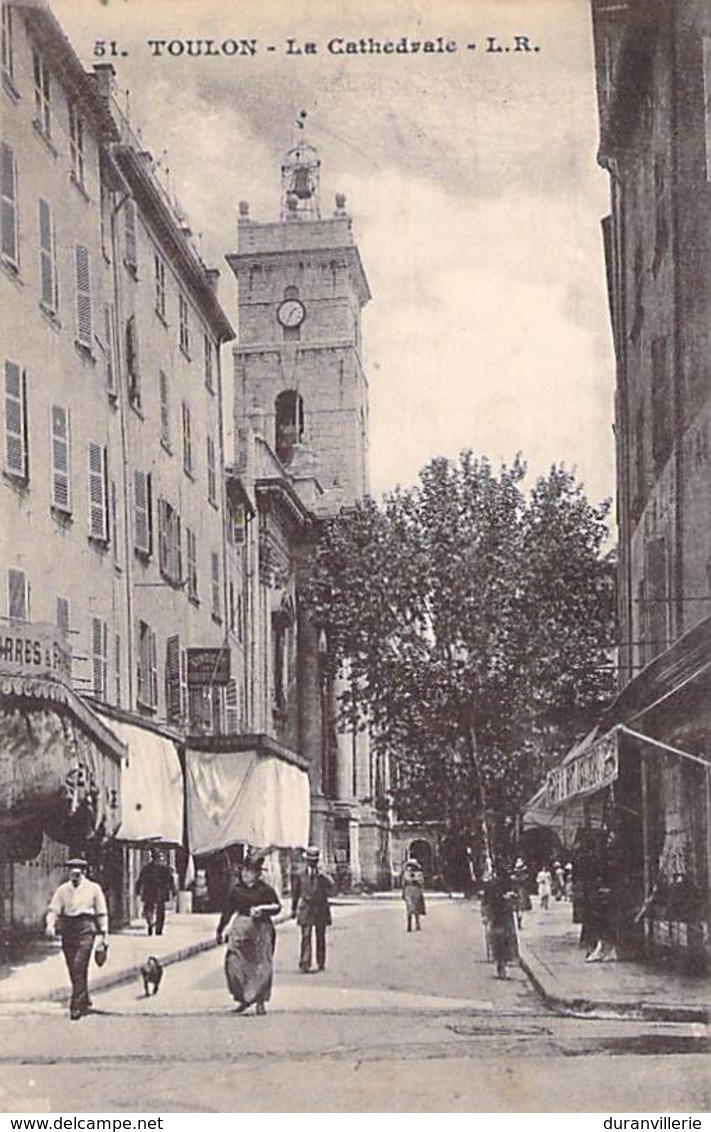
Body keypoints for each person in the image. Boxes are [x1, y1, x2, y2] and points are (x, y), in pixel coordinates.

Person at [215, 854, 281, 1015]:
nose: (245, 874)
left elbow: (277, 907)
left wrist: (263, 909)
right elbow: (228, 911)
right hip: (241, 929)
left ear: (257, 874)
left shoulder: (265, 890)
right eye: (244, 870)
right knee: (233, 962)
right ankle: (243, 997)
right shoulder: (236, 890)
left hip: (261, 930)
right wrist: (220, 929)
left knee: (261, 966)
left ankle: (260, 1002)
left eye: (249, 871)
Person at [45, 857, 109, 1021]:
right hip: (68, 928)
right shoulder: (62, 890)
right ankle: (85, 997)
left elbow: (101, 912)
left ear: (85, 872)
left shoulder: (94, 889)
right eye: (72, 873)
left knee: (79, 964)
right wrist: (50, 925)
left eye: (78, 873)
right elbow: (54, 909)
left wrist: (104, 936)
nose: (74, 877)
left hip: (86, 927)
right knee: (72, 966)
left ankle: (76, 1006)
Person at [291, 846, 334, 973]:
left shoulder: (322, 874)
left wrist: (324, 875)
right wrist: (293, 909)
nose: (312, 862)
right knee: (306, 936)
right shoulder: (300, 874)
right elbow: (295, 892)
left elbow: (332, 886)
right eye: (310, 860)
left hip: (321, 907)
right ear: (306, 860)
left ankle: (321, 962)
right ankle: (305, 963)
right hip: (306, 907)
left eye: (314, 860)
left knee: (320, 936)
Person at [480, 868, 519, 979]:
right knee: (505, 938)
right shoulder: (506, 885)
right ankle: (503, 962)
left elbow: (485, 901)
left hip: (496, 914)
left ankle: (500, 963)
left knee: (498, 938)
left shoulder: (492, 885)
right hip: (503, 914)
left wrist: (485, 915)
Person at [135, 848, 176, 936]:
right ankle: (157, 928)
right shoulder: (165, 868)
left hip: (150, 891)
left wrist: (138, 890)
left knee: (149, 908)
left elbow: (140, 880)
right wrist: (173, 891)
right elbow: (171, 880)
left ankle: (151, 923)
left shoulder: (147, 868)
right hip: (160, 892)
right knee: (159, 911)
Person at [401, 858, 426, 932]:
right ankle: (410, 925)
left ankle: (417, 923)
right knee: (410, 907)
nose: (411, 868)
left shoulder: (418, 874)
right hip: (409, 890)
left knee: (415, 907)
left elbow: (421, 882)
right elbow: (404, 883)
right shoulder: (406, 873)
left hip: (415, 890)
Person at [511, 857, 532, 929]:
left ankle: (518, 921)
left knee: (518, 908)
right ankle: (519, 922)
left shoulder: (514, 872)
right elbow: (526, 880)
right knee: (520, 908)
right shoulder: (525, 872)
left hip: (516, 890)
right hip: (521, 891)